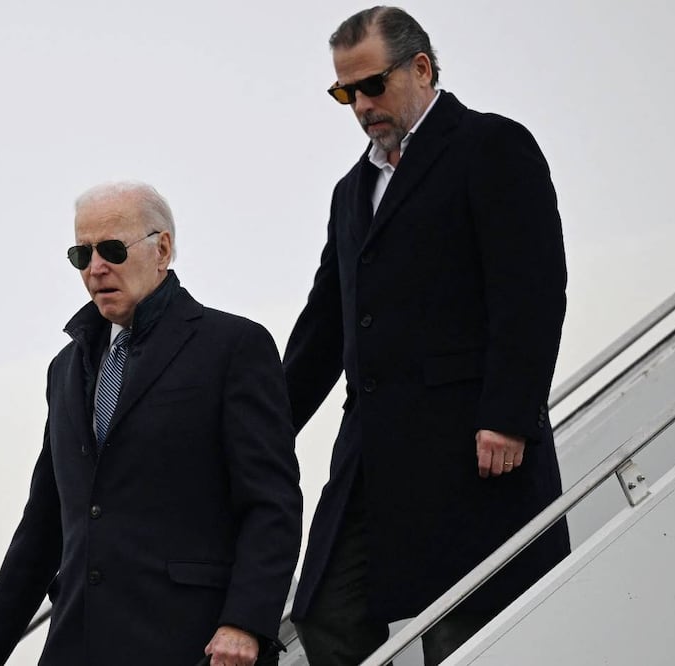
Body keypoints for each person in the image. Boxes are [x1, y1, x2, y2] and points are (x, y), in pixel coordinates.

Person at [282, 7, 571, 665]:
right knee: (324, 611)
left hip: (473, 446)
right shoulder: (351, 191)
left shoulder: (491, 146)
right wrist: (259, 427)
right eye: (344, 93)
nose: (360, 105)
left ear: (420, 67)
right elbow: (324, 326)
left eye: (372, 86)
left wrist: (509, 414)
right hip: (372, 453)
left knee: (462, 632)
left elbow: (530, 289)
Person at [0, 182, 302, 666]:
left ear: (163, 249)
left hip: (191, 644)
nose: (95, 268)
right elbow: (44, 527)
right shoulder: (64, 370)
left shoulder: (232, 347)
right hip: (78, 644)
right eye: (81, 254)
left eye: (111, 249)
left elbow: (271, 503)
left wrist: (245, 622)